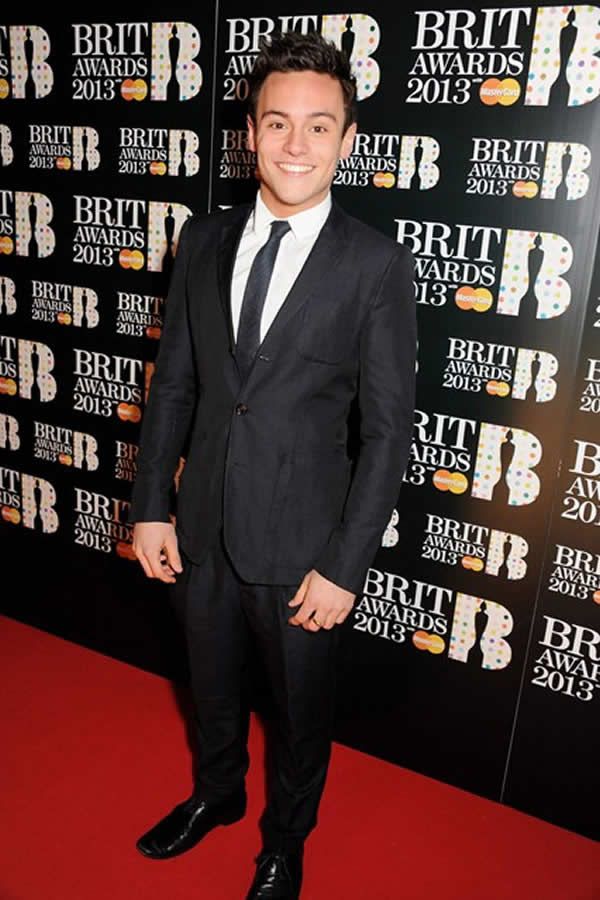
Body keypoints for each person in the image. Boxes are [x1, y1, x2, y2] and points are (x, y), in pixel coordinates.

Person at [128, 29, 416, 900]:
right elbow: (175, 384)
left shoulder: (375, 265)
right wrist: (151, 505)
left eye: (319, 126)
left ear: (348, 140)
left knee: (298, 714)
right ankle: (217, 795)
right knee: (210, 689)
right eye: (278, 123)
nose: (297, 144)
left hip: (304, 552)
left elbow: (388, 433)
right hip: (201, 530)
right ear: (249, 134)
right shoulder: (202, 240)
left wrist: (345, 566)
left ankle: (285, 842)